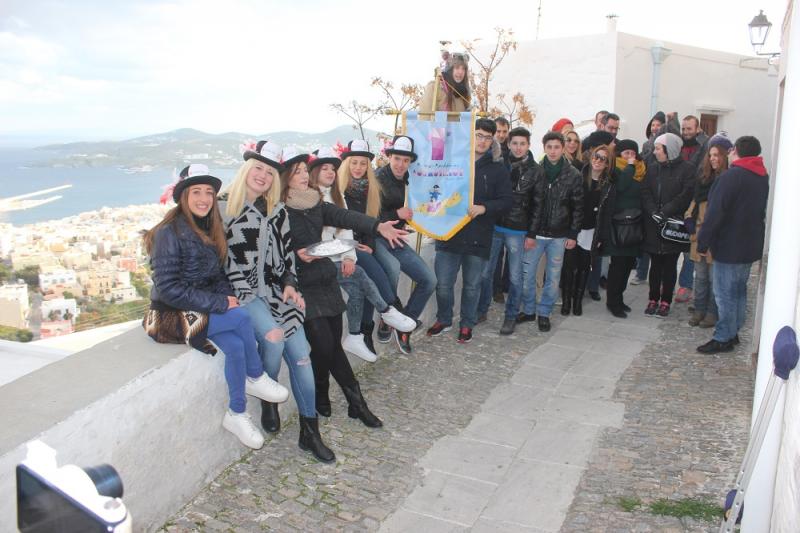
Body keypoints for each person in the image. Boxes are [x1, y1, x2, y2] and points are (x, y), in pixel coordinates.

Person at [143, 163, 289, 450]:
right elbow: (168, 289)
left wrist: (225, 297)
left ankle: (236, 413)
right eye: (196, 192)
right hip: (167, 317)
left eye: (209, 192)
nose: (204, 199)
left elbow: (218, 275)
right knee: (241, 318)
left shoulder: (209, 226)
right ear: (183, 197)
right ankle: (255, 375)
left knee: (235, 346)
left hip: (197, 309)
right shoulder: (168, 233)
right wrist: (221, 302)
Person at [219, 142, 334, 462]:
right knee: (273, 339)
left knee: (302, 356)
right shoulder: (223, 208)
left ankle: (310, 432)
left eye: (269, 172)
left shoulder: (277, 211)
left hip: (274, 292)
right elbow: (219, 260)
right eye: (258, 168)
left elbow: (286, 259)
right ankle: (268, 398)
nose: (263, 176)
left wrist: (290, 284)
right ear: (245, 170)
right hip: (242, 293)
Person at [280, 147, 408, 427]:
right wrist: (297, 257)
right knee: (326, 345)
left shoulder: (315, 202)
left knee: (329, 346)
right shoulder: (278, 209)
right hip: (301, 286)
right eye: (297, 172)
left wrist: (378, 227)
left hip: (325, 279)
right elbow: (275, 253)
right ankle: (357, 404)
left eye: (305, 170)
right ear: (285, 177)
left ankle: (325, 397)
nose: (304, 176)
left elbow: (345, 217)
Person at [309, 145, 416, 362]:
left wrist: (354, 252)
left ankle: (359, 333)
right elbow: (333, 232)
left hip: (356, 245)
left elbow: (352, 224)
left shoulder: (340, 194)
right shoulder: (314, 197)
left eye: (332, 168)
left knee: (367, 281)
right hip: (326, 256)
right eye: (324, 169)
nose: (330, 172)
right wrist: (351, 252)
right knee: (363, 273)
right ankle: (388, 310)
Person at [427, 118, 512, 342]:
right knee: (443, 284)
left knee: (473, 286)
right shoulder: (453, 161)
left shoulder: (497, 168)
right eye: (478, 135)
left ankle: (467, 323)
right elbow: (433, 186)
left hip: (479, 236)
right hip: (449, 234)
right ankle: (444, 319)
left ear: (492, 140)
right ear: (470, 136)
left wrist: (485, 208)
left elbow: (507, 201)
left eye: (487, 137)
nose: (482, 141)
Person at [697, 136, 769, 354]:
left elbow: (715, 212)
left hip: (729, 244)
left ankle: (723, 337)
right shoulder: (761, 175)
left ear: (735, 151)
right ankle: (733, 330)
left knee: (724, 294)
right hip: (749, 243)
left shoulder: (732, 176)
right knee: (738, 291)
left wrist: (703, 242)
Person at [338, 139, 405, 351]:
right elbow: (339, 225)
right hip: (345, 245)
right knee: (372, 274)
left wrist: (369, 245)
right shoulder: (338, 190)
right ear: (346, 164)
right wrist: (357, 246)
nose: (358, 168)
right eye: (354, 162)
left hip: (364, 243)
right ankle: (392, 307)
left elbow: (371, 221)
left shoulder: (370, 189)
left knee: (378, 273)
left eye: (363, 163)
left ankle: (368, 330)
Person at [374, 135, 437, 354]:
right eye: (397, 159)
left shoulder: (412, 179)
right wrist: (396, 214)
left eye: (406, 160)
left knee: (429, 280)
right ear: (389, 157)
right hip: (377, 238)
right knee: (391, 269)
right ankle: (387, 318)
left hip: (398, 237)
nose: (401, 164)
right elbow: (367, 215)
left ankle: (405, 324)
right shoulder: (377, 179)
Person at [477, 126, 542, 334]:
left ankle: (511, 315)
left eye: (522, 143)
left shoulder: (535, 170)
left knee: (515, 276)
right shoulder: (499, 163)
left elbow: (538, 205)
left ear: (528, 145)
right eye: (515, 143)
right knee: (485, 273)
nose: (518, 147)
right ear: (509, 143)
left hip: (518, 229)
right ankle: (481, 309)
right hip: (495, 224)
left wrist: (531, 234)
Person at [520, 131, 583, 332]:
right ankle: (529, 310)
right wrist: (529, 232)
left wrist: (573, 234)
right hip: (536, 233)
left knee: (553, 278)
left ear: (563, 148)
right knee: (527, 275)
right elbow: (527, 203)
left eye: (557, 147)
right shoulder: (535, 171)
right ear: (544, 148)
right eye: (549, 147)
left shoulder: (573, 174)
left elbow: (578, 207)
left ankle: (544, 313)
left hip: (559, 234)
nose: (553, 151)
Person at [641, 133, 695, 317]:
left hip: (673, 225)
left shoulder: (687, 169)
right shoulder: (653, 168)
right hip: (654, 223)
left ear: (668, 150)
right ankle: (653, 298)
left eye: (658, 148)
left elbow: (685, 195)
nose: (655, 152)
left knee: (670, 265)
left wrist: (665, 211)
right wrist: (653, 211)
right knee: (655, 265)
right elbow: (645, 191)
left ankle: (665, 300)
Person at [685, 133, 732, 329]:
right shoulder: (703, 178)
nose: (712, 158)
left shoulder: (728, 179)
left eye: (716, 155)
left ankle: (712, 312)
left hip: (717, 238)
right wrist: (689, 219)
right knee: (700, 277)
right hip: (699, 235)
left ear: (725, 156)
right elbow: (694, 202)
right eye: (710, 155)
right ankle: (699, 309)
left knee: (714, 279)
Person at [562, 144, 613, 316]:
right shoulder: (579, 176)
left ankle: (577, 302)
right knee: (569, 266)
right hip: (574, 229)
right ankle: (566, 301)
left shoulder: (608, 184)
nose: (598, 161)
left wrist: (601, 237)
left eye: (603, 159)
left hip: (592, 231)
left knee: (584, 267)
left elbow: (607, 214)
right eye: (596, 156)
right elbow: (568, 203)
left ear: (607, 163)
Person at [595, 140, 644, 318]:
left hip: (634, 225)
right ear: (619, 154)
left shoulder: (641, 170)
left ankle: (620, 299)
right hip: (617, 226)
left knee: (628, 265)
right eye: (626, 153)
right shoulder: (615, 170)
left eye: (633, 153)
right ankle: (612, 302)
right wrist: (630, 167)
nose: (630, 156)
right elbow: (622, 186)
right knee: (618, 266)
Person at [674, 115, 710, 304]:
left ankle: (685, 285)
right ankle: (669, 281)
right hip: (676, 202)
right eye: (684, 128)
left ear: (697, 129)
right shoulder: (678, 147)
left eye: (689, 128)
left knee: (689, 248)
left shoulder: (702, 148)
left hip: (693, 204)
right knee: (672, 244)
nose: (686, 132)